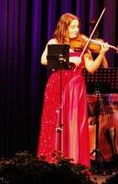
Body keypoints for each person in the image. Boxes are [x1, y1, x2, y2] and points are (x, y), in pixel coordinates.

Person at [37, 13, 109, 167]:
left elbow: (91, 68)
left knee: (74, 125)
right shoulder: (54, 42)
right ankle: (51, 162)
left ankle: (74, 163)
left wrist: (101, 54)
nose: (77, 30)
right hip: (57, 86)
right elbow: (43, 60)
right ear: (64, 27)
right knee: (55, 122)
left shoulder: (83, 46)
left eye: (78, 26)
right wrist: (68, 58)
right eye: (73, 27)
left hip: (77, 89)